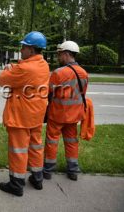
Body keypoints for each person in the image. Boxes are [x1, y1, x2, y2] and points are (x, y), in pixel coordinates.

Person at [0, 31, 50, 197]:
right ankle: (37, 179)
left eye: (24, 47)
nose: (21, 50)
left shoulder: (24, 68)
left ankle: (16, 184)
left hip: (21, 115)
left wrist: (8, 69)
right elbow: (23, 74)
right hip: (36, 114)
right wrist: (16, 67)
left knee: (18, 150)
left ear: (32, 50)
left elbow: (2, 80)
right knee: (35, 147)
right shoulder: (43, 65)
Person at [43, 41, 88, 181]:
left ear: (67, 54)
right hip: (74, 116)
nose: (58, 57)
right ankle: (73, 170)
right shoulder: (84, 73)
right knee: (71, 142)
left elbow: (48, 92)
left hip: (57, 114)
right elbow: (82, 93)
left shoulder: (58, 73)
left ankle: (48, 170)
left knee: (52, 141)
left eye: (60, 54)